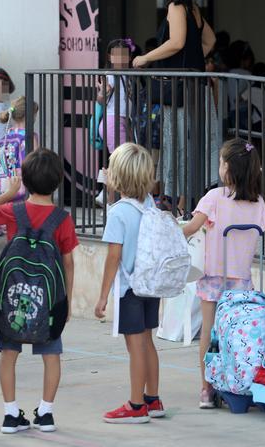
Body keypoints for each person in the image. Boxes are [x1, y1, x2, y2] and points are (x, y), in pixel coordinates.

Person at [0, 149, 78, 433]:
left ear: (24, 181)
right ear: (57, 183)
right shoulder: (62, 219)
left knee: (8, 355)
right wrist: (66, 301)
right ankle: (47, 412)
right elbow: (68, 262)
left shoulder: (14, 212)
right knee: (52, 356)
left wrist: (9, 194)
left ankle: (10, 413)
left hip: (14, 297)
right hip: (48, 300)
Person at [181, 138, 265, 408]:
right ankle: (237, 380)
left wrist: (170, 227)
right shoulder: (259, 204)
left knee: (208, 330)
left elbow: (193, 227)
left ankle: (206, 388)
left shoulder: (214, 198)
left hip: (213, 276)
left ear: (229, 168)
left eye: (221, 162)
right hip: (241, 279)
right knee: (235, 333)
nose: (219, 167)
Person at [132, 0, 216, 209]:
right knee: (195, 142)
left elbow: (176, 41)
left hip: (180, 90)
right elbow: (210, 40)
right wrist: (194, 59)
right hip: (196, 86)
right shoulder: (194, 9)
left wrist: (146, 57)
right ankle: (185, 200)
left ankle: (180, 202)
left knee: (178, 143)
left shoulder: (176, 6)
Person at [94, 143, 166, 424]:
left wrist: (102, 297)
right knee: (148, 341)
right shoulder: (150, 204)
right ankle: (153, 398)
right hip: (151, 284)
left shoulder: (118, 213)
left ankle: (136, 405)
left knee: (134, 345)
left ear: (118, 176)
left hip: (130, 288)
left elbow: (113, 257)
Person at [96, 39, 133, 153]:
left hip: (122, 121)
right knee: (122, 159)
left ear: (129, 57)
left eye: (124, 55)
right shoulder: (110, 76)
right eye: (117, 56)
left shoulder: (128, 75)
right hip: (113, 122)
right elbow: (100, 100)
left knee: (123, 159)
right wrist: (103, 93)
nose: (121, 60)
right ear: (109, 57)